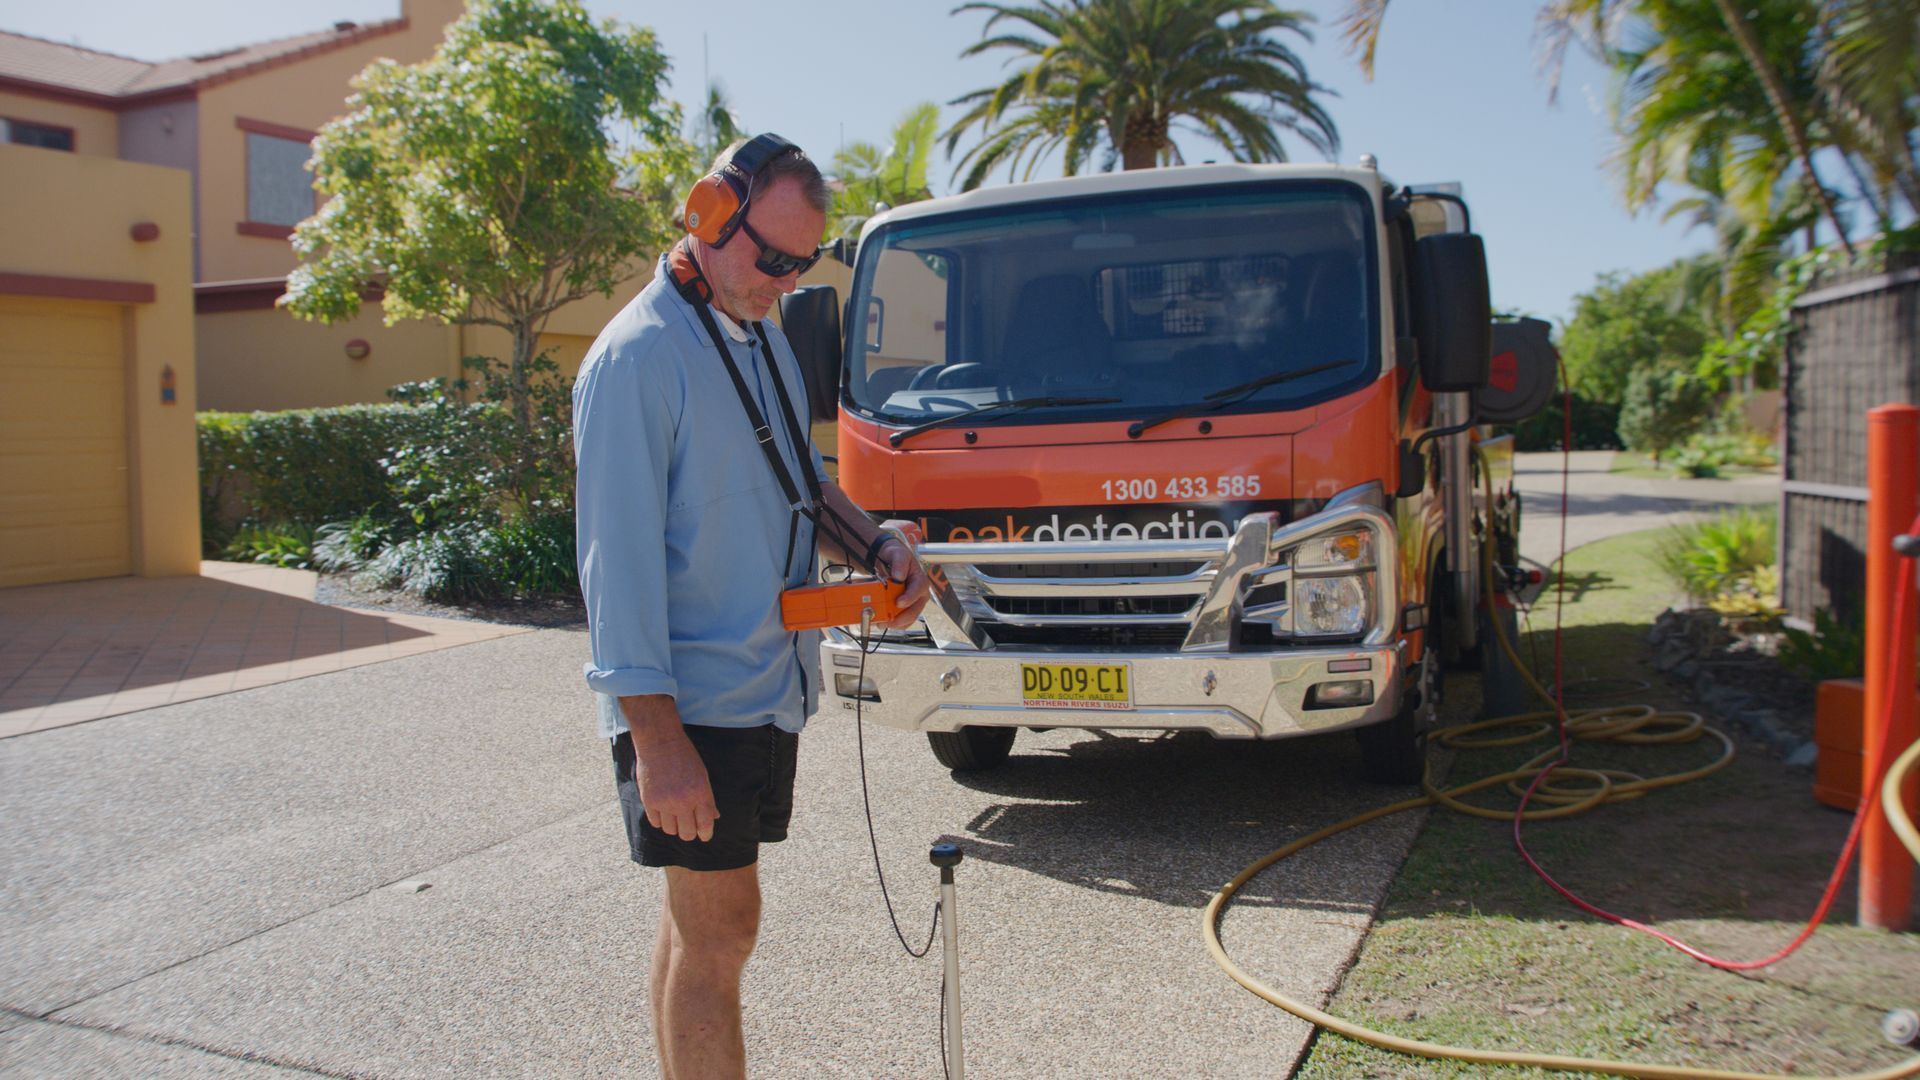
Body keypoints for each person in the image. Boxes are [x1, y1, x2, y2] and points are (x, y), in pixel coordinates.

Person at [572, 135, 931, 1079]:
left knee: (698, 928)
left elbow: (800, 483)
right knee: (724, 938)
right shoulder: (637, 360)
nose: (784, 280)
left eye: (802, 263)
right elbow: (615, 576)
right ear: (705, 216)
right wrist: (657, 744)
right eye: (771, 257)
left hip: (764, 690)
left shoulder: (759, 329)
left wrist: (878, 546)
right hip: (691, 713)